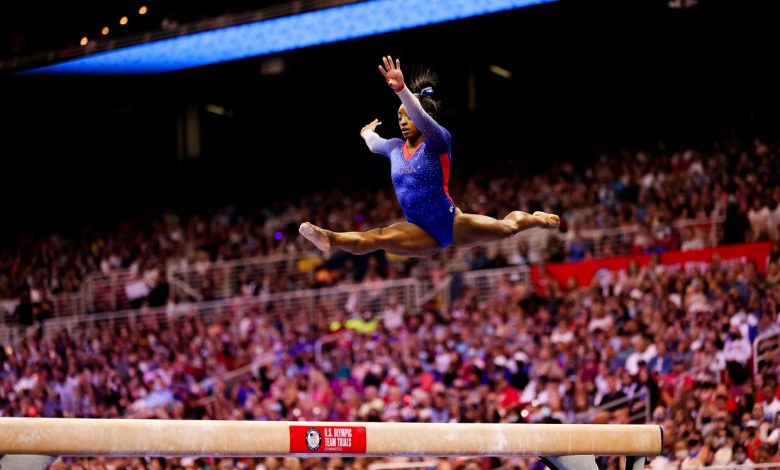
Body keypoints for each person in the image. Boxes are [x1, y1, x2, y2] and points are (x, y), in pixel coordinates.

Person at [300, 55, 559, 257]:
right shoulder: (394, 148)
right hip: (418, 230)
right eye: (399, 117)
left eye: (408, 116)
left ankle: (536, 219)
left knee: (507, 229)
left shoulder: (438, 141)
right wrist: (366, 133)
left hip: (452, 223)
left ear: (425, 118)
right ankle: (329, 237)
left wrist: (401, 89)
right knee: (379, 237)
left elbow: (420, 116)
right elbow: (374, 144)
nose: (403, 122)